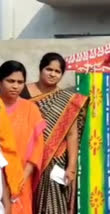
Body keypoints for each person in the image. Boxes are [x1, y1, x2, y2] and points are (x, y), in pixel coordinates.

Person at [20, 52, 88, 214]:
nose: (52, 74)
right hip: (25, 156)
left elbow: (72, 135)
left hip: (55, 157)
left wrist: (71, 166)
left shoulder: (67, 100)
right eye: (48, 69)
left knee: (52, 205)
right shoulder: (21, 92)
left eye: (57, 72)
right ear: (40, 69)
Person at [0, 60, 45, 214]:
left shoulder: (30, 109)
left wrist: (23, 176)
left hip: (21, 177)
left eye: (20, 82)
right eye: (10, 81)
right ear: (0, 82)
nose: (15, 86)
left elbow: (38, 147)